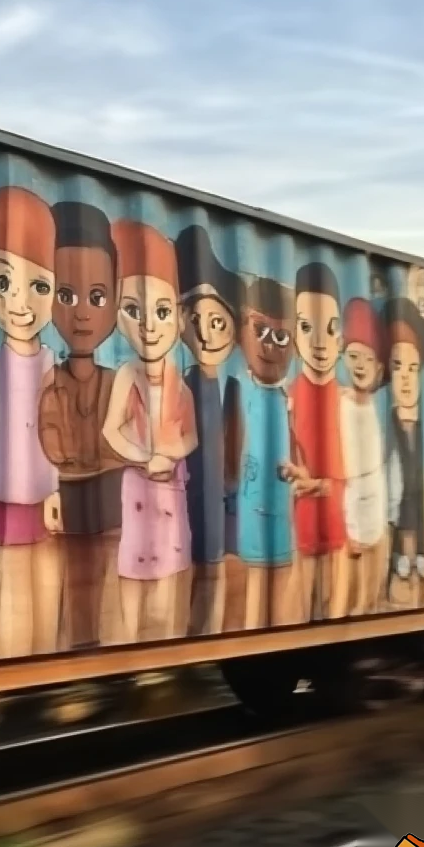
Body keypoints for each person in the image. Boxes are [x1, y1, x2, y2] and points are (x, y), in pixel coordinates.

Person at [102, 219, 197, 642]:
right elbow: (110, 431)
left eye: (161, 313)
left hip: (171, 486)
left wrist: (170, 454)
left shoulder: (179, 380)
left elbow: (192, 434)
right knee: (134, 559)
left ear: (177, 319)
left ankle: (163, 637)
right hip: (138, 488)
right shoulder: (127, 374)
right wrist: (144, 457)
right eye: (134, 311)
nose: (149, 326)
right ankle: (133, 638)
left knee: (170, 562)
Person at [0, 186, 62, 658]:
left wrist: (57, 488)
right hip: (2, 489)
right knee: (12, 581)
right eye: (3, 284)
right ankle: (14, 664)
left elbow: (55, 429)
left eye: (41, 286)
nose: (21, 302)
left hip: (44, 489)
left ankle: (46, 660)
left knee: (46, 576)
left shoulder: (50, 362)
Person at [37, 202, 124, 649]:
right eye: (65, 297)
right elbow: (46, 430)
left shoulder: (116, 381)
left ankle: (105, 644)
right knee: (76, 571)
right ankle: (81, 642)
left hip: (109, 486)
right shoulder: (51, 380)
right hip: (69, 486)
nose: (83, 314)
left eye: (98, 297)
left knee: (108, 567)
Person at [175, 224, 242, 635]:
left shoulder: (235, 389)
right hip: (188, 497)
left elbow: (238, 448)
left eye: (218, 322)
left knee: (219, 568)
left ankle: (210, 629)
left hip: (226, 502)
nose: (206, 332)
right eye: (196, 320)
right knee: (194, 565)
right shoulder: (182, 384)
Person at [232, 277, 299, 627]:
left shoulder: (289, 400)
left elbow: (301, 451)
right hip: (248, 508)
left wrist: (300, 474)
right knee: (255, 578)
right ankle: (256, 632)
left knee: (282, 575)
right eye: (259, 330)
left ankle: (279, 631)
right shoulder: (239, 390)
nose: (268, 346)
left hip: (281, 506)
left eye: (280, 337)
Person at [288, 262, 349, 621]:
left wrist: (320, 484)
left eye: (331, 329)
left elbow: (353, 473)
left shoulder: (344, 399)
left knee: (334, 611)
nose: (320, 343)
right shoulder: (289, 397)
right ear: (294, 335)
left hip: (338, 521)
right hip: (303, 522)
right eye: (307, 328)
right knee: (302, 606)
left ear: (341, 340)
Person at [339, 298, 388, 615]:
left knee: (375, 543)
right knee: (353, 547)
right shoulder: (341, 403)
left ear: (379, 368)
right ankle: (354, 607)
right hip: (351, 486)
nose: (359, 365)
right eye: (353, 356)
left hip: (374, 484)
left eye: (366, 359)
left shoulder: (376, 407)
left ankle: (370, 603)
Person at [386, 297, 424, 605]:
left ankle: (421, 553)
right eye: (397, 366)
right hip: (395, 498)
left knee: (419, 492)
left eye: (412, 368)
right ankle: (401, 555)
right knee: (402, 493)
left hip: (417, 486)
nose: (404, 377)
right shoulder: (389, 419)